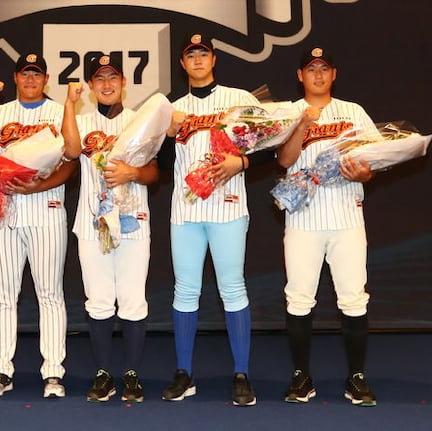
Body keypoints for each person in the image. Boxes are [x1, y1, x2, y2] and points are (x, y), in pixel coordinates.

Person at [160, 33, 258, 406]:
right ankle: (183, 373)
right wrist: (168, 134)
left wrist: (241, 162)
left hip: (227, 207)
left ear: (214, 59)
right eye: (191, 55)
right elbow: (160, 165)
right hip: (186, 212)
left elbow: (270, 146)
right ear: (182, 64)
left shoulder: (239, 99)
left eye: (203, 53)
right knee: (185, 290)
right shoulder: (172, 109)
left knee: (232, 287)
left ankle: (242, 374)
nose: (198, 59)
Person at [277, 47, 378, 407]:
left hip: (347, 216)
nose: (317, 75)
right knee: (299, 297)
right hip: (303, 219)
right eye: (311, 69)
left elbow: (374, 161)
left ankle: (357, 378)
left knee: (353, 297)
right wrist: (302, 124)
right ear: (300, 76)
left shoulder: (353, 112)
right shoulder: (289, 112)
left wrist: (365, 173)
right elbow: (284, 160)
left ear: (333, 74)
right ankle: (301, 377)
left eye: (323, 69)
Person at [0, 52, 78, 398]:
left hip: (47, 211)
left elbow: (71, 162)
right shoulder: (1, 112)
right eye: (24, 74)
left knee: (50, 294)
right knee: (3, 296)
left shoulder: (58, 111)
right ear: (15, 78)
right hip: (5, 212)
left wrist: (41, 185)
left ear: (46, 79)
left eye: (36, 74)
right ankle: (1, 370)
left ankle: (53, 372)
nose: (30, 79)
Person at [63, 54, 159, 402]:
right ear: (90, 85)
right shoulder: (81, 122)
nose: (107, 84)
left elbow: (154, 172)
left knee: (133, 300)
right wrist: (69, 106)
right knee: (99, 301)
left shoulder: (140, 121)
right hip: (94, 224)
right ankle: (103, 373)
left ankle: (131, 374)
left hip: (133, 222)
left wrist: (133, 173)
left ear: (123, 82)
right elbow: (70, 152)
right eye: (100, 79)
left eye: (113, 78)